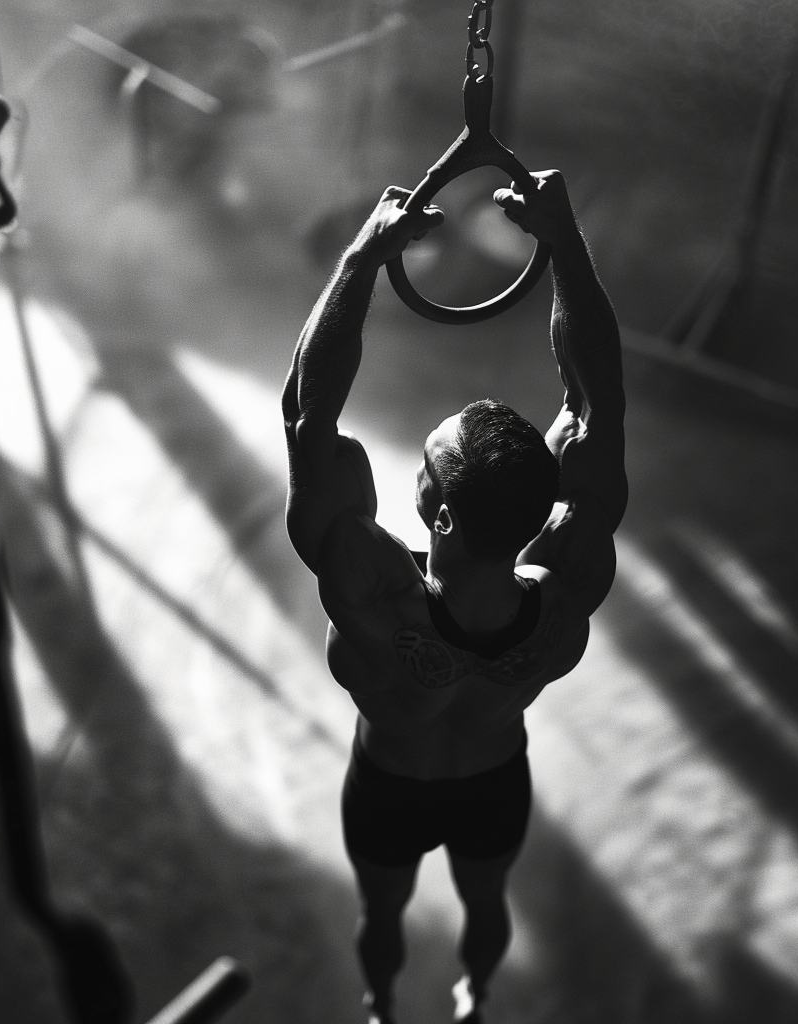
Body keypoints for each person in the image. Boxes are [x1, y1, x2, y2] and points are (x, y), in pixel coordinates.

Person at [282, 170, 626, 1024]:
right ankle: (473, 1001)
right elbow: (598, 409)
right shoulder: (564, 597)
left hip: (389, 785)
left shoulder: (373, 594)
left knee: (380, 914)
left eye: (427, 463)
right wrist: (561, 238)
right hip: (493, 780)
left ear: (434, 507)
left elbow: (308, 420)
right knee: (485, 905)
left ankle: (381, 1005)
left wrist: (367, 252)